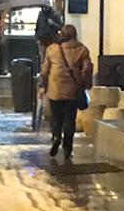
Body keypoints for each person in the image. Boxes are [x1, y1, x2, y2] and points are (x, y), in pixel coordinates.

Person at [39, 24, 93, 161]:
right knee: (70, 120)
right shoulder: (82, 50)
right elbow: (86, 70)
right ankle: (67, 148)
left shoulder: (52, 49)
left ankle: (56, 136)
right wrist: (85, 84)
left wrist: (42, 86)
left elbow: (45, 70)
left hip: (55, 90)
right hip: (73, 91)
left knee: (56, 117)